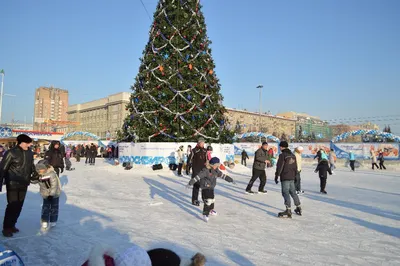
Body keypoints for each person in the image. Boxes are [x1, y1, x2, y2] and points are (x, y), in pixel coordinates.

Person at [0, 134, 38, 237]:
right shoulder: (11, 153)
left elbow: (31, 165)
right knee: (12, 205)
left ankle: (12, 224)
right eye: (28, 143)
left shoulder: (29, 153)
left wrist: (35, 174)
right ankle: (6, 228)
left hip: (24, 183)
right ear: (21, 142)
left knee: (19, 205)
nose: (30, 145)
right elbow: (2, 169)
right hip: (12, 183)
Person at [187, 157, 236, 222]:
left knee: (212, 200)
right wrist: (191, 182)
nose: (217, 166)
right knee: (208, 200)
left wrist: (230, 180)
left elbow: (223, 176)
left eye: (218, 165)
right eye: (216, 165)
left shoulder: (216, 171)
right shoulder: (205, 170)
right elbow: (198, 176)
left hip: (211, 187)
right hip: (205, 187)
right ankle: (205, 214)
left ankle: (210, 210)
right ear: (212, 165)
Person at [275, 141, 301, 218]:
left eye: (280, 146)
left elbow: (280, 166)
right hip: (292, 177)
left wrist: (277, 176)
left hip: (285, 177)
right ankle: (298, 207)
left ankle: (288, 209)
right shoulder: (292, 155)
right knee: (293, 192)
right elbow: (295, 167)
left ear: (282, 147)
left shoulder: (283, 155)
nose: (280, 148)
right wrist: (296, 176)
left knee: (285, 192)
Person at [35, 160, 61, 230]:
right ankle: (45, 221)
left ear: (46, 167)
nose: (40, 170)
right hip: (45, 194)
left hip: (54, 194)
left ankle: (53, 220)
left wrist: (51, 195)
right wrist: (32, 178)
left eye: (42, 168)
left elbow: (54, 185)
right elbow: (35, 181)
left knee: (54, 207)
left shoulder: (51, 174)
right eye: (38, 169)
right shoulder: (40, 174)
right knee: (45, 207)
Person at [188, 138, 207, 206]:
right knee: (196, 186)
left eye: (203, 143)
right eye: (201, 143)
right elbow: (189, 159)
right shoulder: (194, 150)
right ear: (198, 143)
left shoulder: (205, 150)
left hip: (203, 171)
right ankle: (194, 200)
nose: (203, 144)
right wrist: (188, 168)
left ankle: (204, 198)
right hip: (196, 170)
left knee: (204, 185)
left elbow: (207, 160)